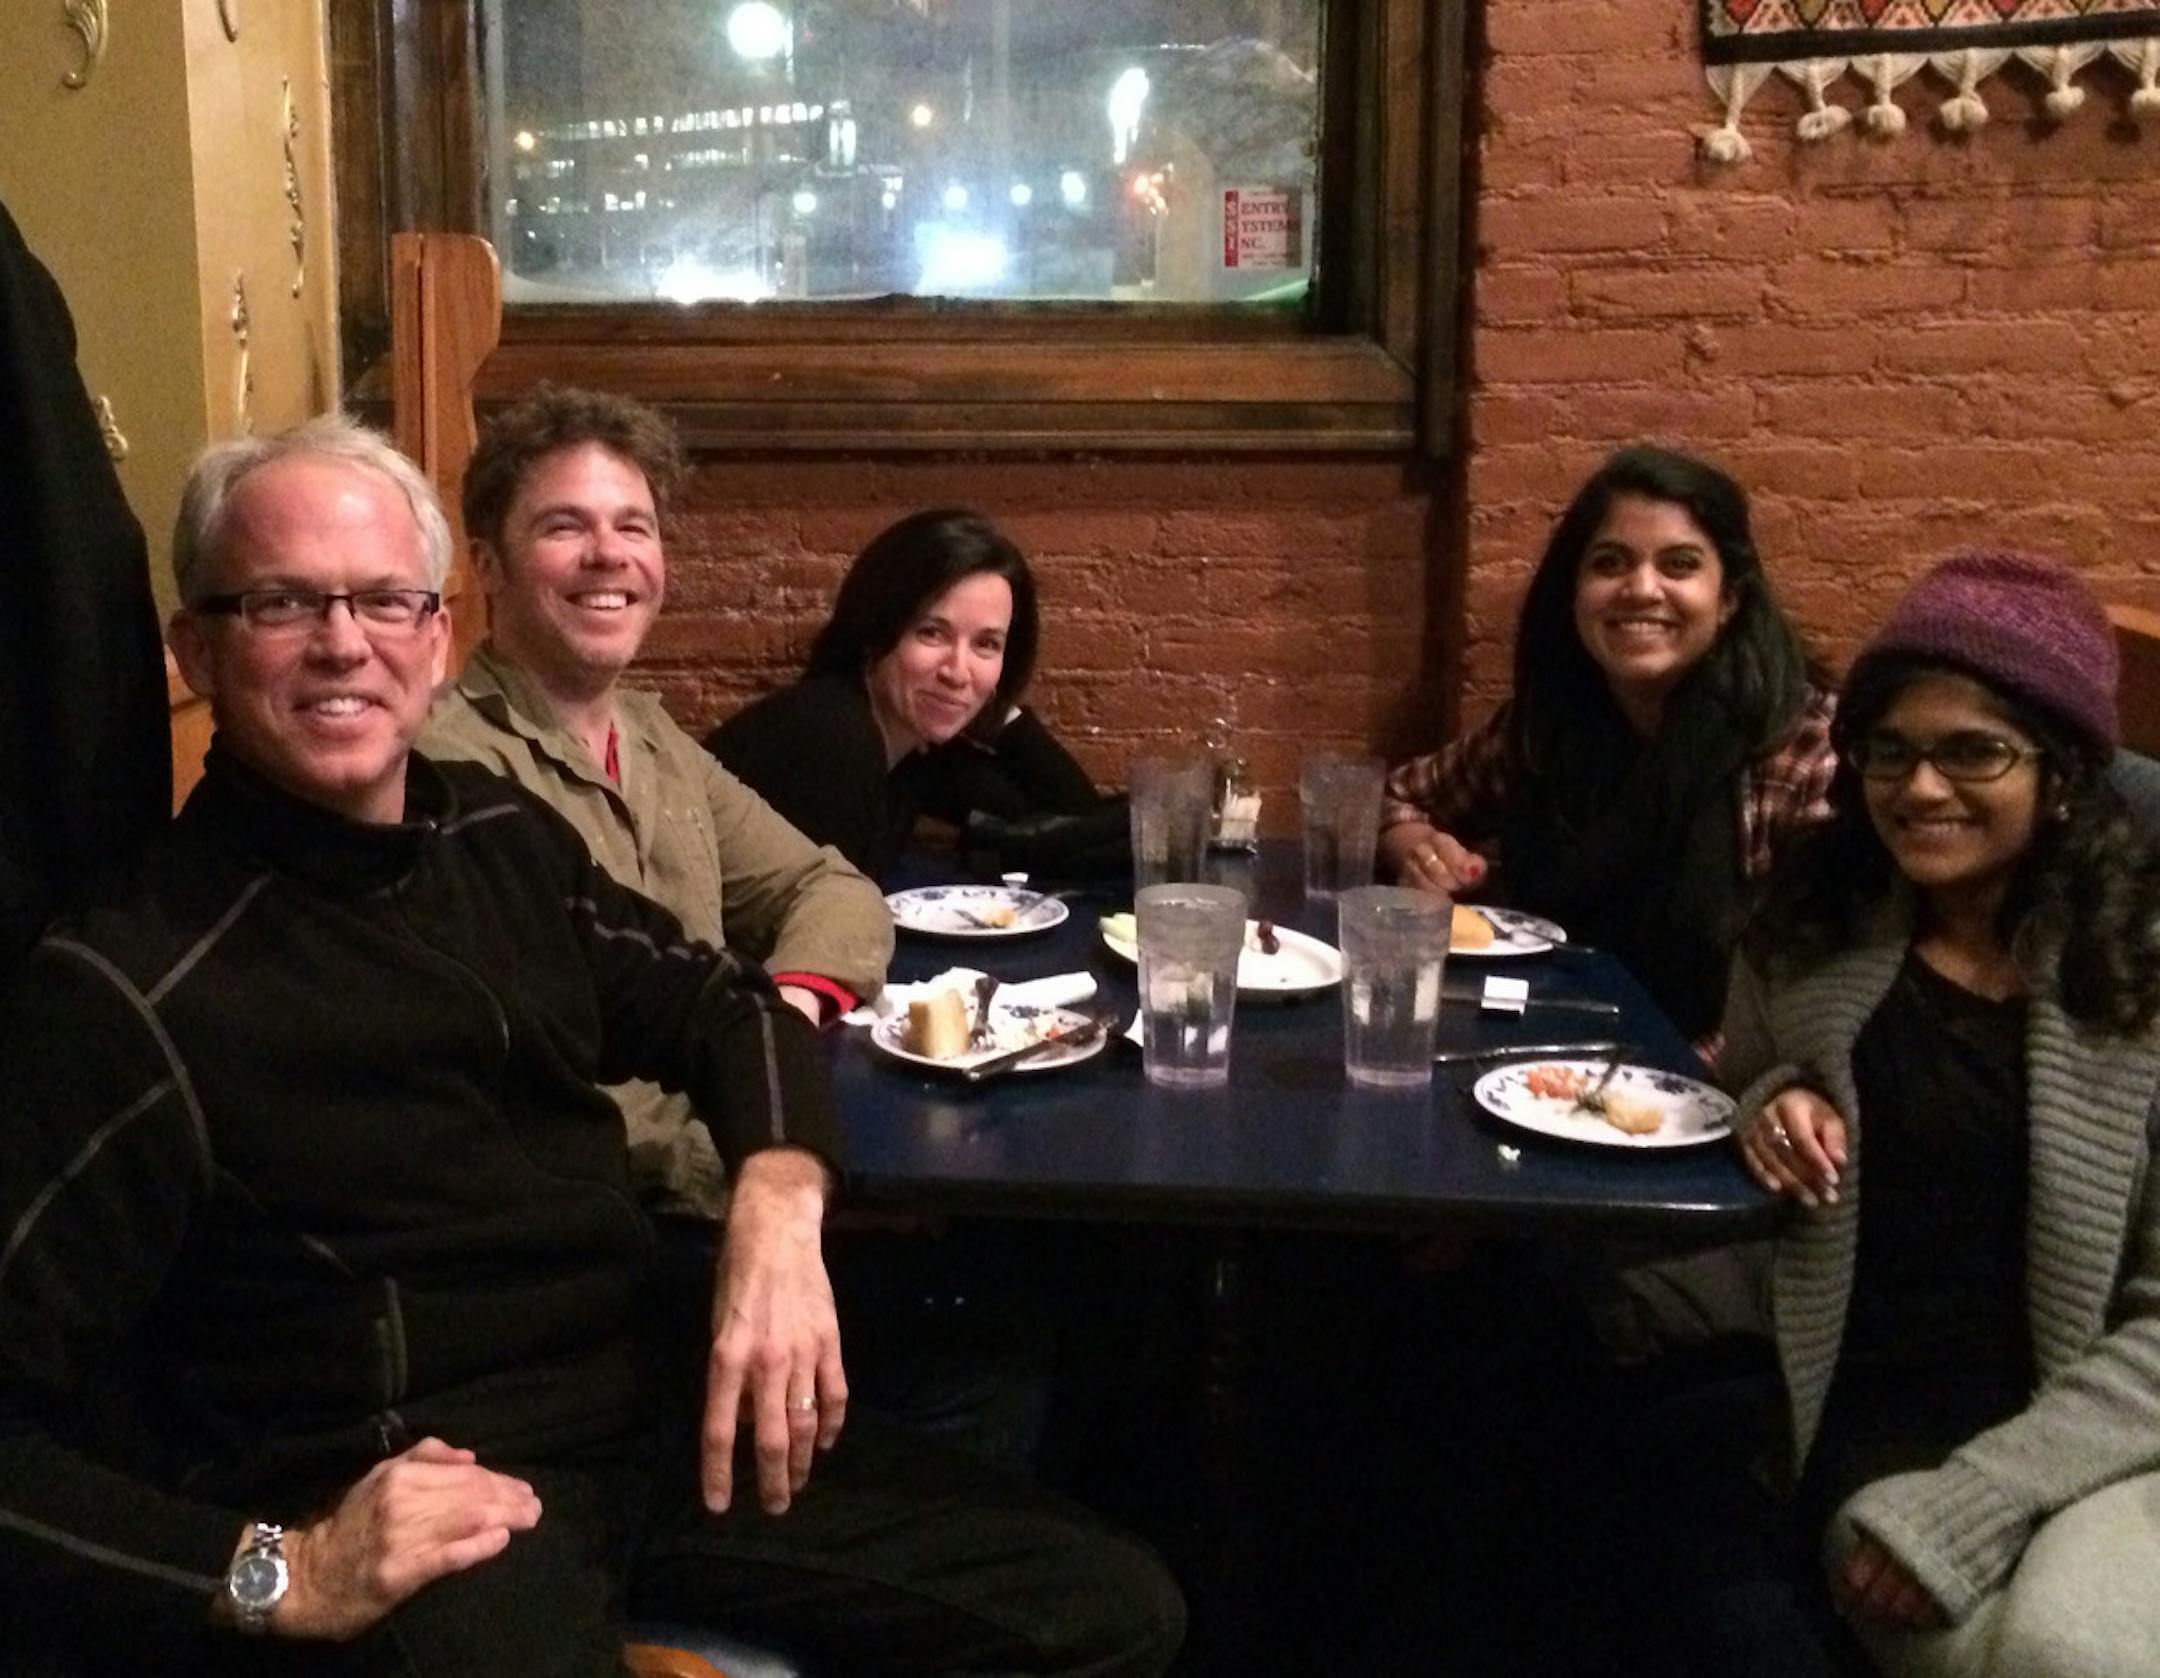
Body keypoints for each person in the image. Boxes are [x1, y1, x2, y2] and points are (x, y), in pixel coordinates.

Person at [0, 418, 1184, 1677]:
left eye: (387, 601)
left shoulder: (499, 839)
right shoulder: (127, 989)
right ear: (197, 648)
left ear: (435, 634)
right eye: (284, 602)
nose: (345, 641)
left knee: (1111, 1610)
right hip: (427, 1493)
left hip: (657, 1404)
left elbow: (726, 1008)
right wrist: (279, 1570)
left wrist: (779, 1210)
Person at [1672, 551, 2160, 1677]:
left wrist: (1987, 1494)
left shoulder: (2138, 975)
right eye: (1888, 750)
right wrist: (1772, 1098)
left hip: (2096, 1439)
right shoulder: (1812, 929)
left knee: (2065, 1656)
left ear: (2065, 774)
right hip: (1868, 1427)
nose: (1920, 788)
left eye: (1973, 751)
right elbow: (1727, 1095)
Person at [421, 385, 892, 1215]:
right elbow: (532, 1084)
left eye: (633, 526)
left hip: (735, 1171)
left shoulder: (652, 738)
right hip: (611, 1217)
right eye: (564, 526)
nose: (609, 553)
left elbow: (832, 888)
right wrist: (754, 1136)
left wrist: (776, 1024)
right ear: (487, 565)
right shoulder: (447, 764)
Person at [1377, 444, 1836, 1047]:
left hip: (1706, 1080)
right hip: (1530, 1053)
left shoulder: (1798, 749)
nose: (1641, 589)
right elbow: (1398, 799)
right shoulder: (1548, 725)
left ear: (1729, 600)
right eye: (1610, 563)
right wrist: (1420, 853)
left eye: (1679, 565)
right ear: (1574, 591)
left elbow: (1819, 993)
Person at [706, 509, 1105, 882]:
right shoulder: (832, 737)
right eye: (931, 633)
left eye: (986, 644)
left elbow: (1077, 823)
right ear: (874, 631)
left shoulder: (910, 746)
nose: (957, 672)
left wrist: (997, 712)